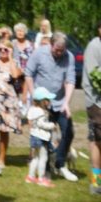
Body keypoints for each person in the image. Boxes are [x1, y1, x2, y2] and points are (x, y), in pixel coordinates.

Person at [25, 30, 78, 182]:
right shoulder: (39, 54)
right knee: (44, 137)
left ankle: (60, 164)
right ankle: (46, 169)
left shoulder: (69, 57)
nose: (60, 53)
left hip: (60, 102)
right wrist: (33, 96)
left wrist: (67, 103)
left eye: (62, 50)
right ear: (50, 44)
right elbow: (28, 74)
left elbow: (70, 80)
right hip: (43, 103)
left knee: (69, 132)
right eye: (57, 50)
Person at [0, 41, 22, 170]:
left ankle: (1, 159)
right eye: (1, 49)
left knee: (4, 132)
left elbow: (16, 76)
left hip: (7, 102)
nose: (3, 51)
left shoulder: (13, 63)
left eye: (6, 49)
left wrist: (10, 57)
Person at [83, 19, 101, 195]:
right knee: (96, 142)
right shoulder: (94, 47)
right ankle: (96, 183)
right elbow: (96, 76)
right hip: (96, 103)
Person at [25, 86, 56, 187]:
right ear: (42, 101)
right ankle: (41, 179)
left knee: (35, 158)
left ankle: (31, 176)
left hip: (34, 137)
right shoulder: (41, 112)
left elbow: (31, 122)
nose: (49, 101)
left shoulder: (32, 110)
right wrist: (51, 125)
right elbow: (41, 124)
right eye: (47, 100)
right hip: (41, 138)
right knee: (43, 158)